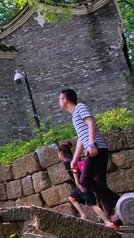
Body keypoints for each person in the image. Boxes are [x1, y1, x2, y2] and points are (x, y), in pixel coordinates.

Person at [58, 89, 121, 225]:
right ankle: (116, 219)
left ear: (65, 99)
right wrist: (74, 159)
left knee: (85, 180)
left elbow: (91, 123)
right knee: (100, 185)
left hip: (96, 150)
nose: (59, 102)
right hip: (94, 150)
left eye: (59, 99)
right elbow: (81, 139)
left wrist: (92, 144)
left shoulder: (80, 107)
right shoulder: (74, 116)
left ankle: (119, 201)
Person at [58, 142, 119, 230]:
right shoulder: (72, 160)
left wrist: (78, 184)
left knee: (92, 204)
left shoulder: (67, 162)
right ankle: (83, 215)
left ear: (61, 153)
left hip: (81, 185)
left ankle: (107, 222)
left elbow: (74, 171)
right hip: (80, 184)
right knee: (72, 198)